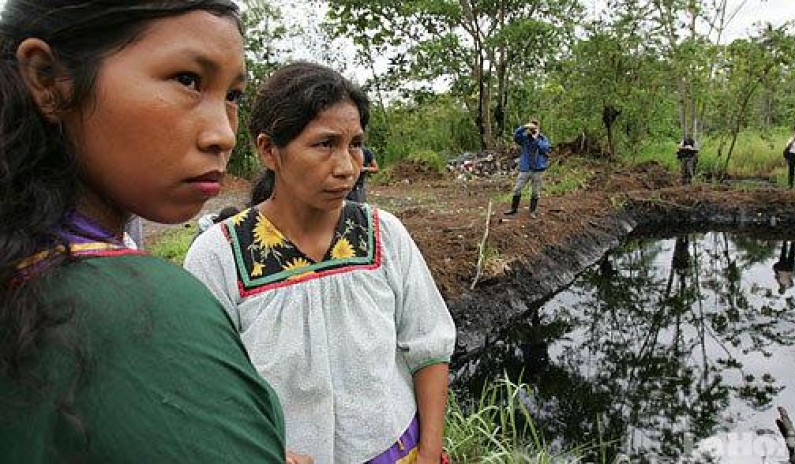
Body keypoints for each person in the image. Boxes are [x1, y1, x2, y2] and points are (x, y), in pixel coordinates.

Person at [0, 1, 287, 461]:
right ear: (48, 80)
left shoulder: (22, 269)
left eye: (232, 96)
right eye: (188, 80)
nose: (224, 134)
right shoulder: (145, 309)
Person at [185, 61, 456, 464]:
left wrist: (431, 451)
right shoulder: (220, 255)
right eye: (324, 144)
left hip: (398, 451)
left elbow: (429, 345)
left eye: (355, 144)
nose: (348, 167)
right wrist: (266, 450)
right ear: (268, 150)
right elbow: (206, 385)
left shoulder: (383, 234)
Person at [504, 119, 551, 219]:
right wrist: (524, 127)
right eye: (531, 128)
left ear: (538, 128)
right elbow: (515, 137)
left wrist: (536, 138)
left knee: (535, 192)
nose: (532, 130)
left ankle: (532, 211)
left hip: (538, 169)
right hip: (525, 168)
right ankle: (513, 209)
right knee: (517, 189)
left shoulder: (542, 139)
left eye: (534, 128)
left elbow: (545, 148)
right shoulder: (524, 138)